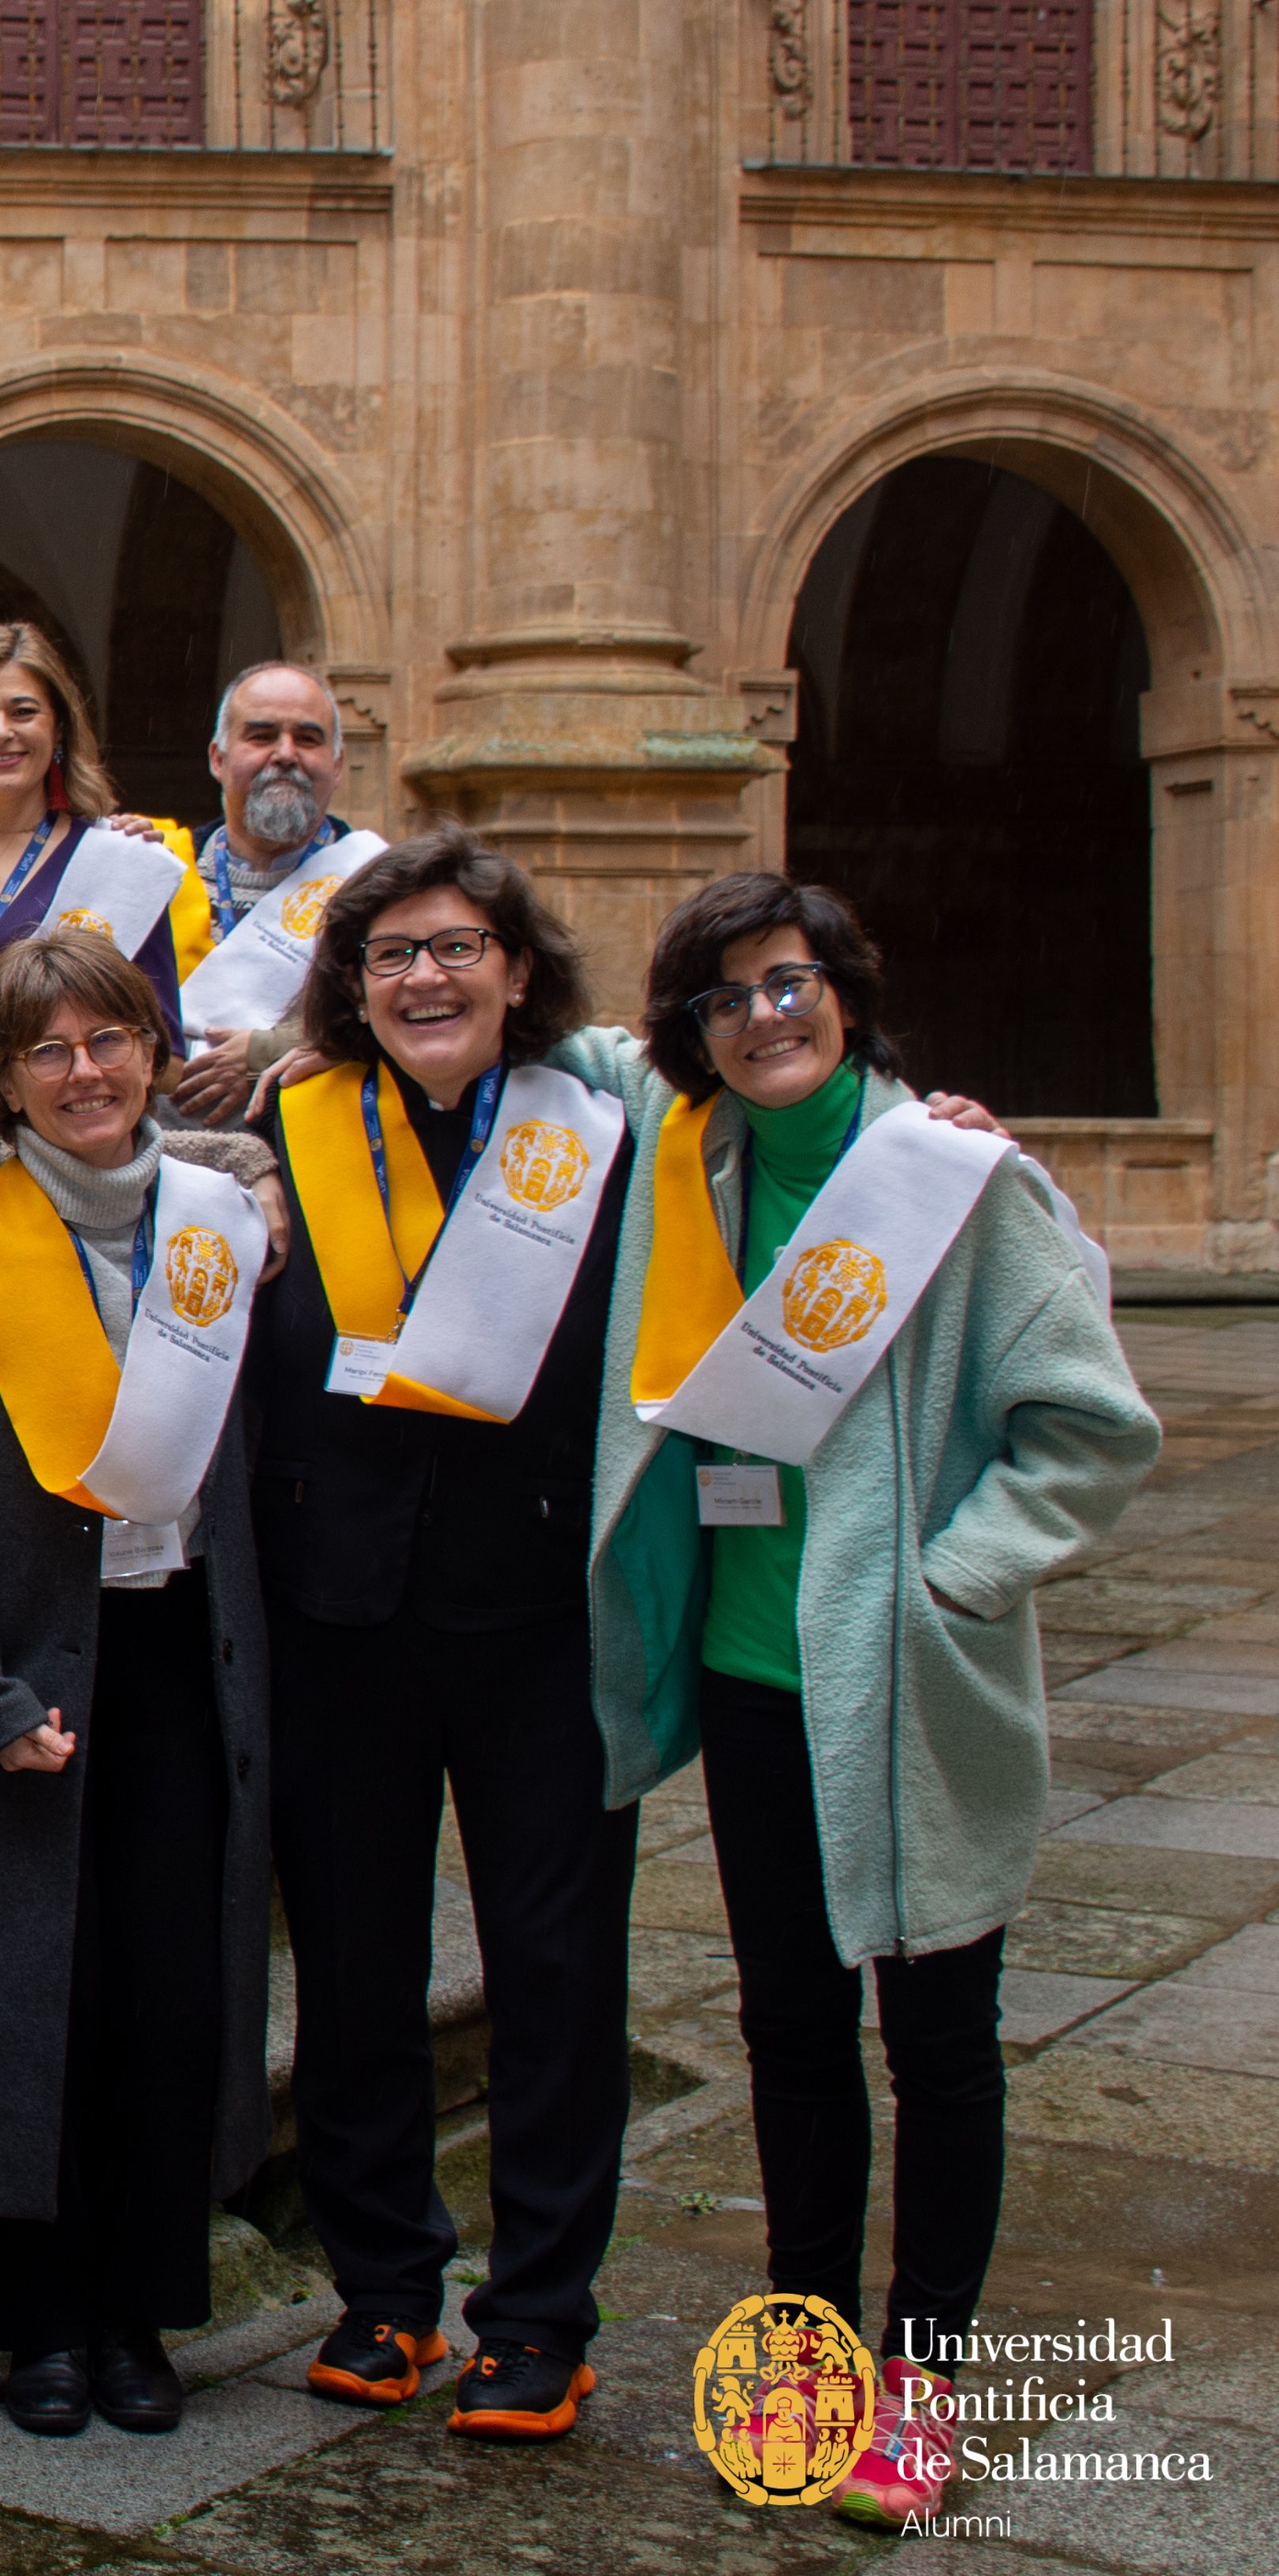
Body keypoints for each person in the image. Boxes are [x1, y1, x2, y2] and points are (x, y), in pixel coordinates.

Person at [592, 872, 1156, 2529]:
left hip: (907, 1676)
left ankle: (921, 2380)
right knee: (783, 2026)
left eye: (789, 984)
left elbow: (1091, 1427)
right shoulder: (682, 1165)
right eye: (723, 996)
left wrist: (957, 1576)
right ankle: (805, 2346)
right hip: (750, 1672)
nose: (761, 1017)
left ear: (844, 991)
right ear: (688, 1029)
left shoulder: (955, 1179)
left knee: (937, 2038)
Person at [243, 826, 641, 2442]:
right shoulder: (287, 1123)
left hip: (539, 1608)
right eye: (391, 951)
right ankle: (384, 2288)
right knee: (351, 1969)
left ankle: (539, 2310)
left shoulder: (599, 1128)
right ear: (350, 982)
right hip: (342, 1610)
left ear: (516, 968)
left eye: (453, 946)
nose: (423, 974)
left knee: (553, 1970)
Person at [0, 930, 283, 2440]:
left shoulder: (218, 1222)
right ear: (3, 1080)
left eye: (106, 1037)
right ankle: (28, 2319)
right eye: (43, 1049)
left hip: (181, 1656)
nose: (82, 1072)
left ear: (152, 1048)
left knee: (163, 1989)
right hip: (29, 1663)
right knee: (24, 1996)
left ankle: (133, 2310)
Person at [0, 623, 194, 1017]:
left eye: (23, 712)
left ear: (59, 727)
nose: (1, 732)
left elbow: (165, 1054)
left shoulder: (120, 862)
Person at [162, 660, 359, 1123]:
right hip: (165, 1163)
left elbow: (419, 1020)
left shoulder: (385, 889)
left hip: (323, 1152)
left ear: (338, 764)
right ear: (217, 758)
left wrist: (270, 1049)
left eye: (308, 738)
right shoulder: (161, 876)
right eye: (262, 735)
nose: (285, 753)